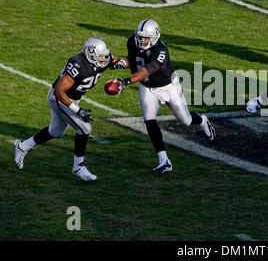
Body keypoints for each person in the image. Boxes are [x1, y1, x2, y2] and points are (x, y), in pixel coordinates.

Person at [13, 38, 128, 181]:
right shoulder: (78, 64)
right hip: (61, 99)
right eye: (101, 56)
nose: (104, 59)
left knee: (55, 131)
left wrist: (123, 63)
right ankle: (78, 166)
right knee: (84, 128)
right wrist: (77, 110)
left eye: (105, 56)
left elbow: (119, 60)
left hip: (72, 98)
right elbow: (59, 91)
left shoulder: (100, 60)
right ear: (91, 54)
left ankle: (23, 146)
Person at [112, 19, 216, 174]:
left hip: (168, 87)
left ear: (155, 36)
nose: (142, 40)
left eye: (146, 38)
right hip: (147, 87)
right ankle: (164, 160)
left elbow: (147, 70)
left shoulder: (161, 50)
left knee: (186, 120)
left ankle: (202, 120)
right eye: (140, 37)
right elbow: (133, 63)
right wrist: (116, 61)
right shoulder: (132, 42)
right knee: (149, 120)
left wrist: (125, 81)